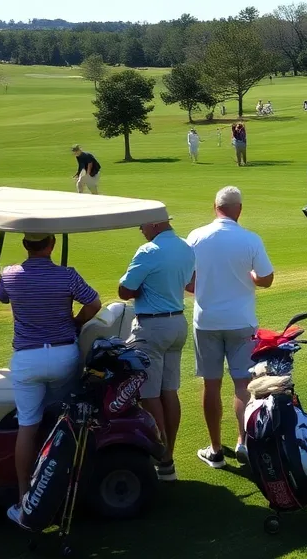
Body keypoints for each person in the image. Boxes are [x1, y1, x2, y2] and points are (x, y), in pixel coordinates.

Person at [0, 233, 101, 520]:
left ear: (25, 246)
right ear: (51, 245)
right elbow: (93, 303)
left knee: (28, 425)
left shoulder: (10, 274)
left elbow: (1, 296)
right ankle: (61, 488)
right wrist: (75, 322)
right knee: (62, 421)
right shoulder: (66, 275)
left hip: (27, 359)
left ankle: (25, 497)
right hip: (63, 355)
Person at [186, 186, 275, 468]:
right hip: (241, 321)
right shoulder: (249, 239)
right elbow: (266, 278)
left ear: (215, 206)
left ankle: (215, 449)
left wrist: (201, 289)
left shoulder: (196, 236)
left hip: (207, 321)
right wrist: (249, 276)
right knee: (243, 385)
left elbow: (186, 280)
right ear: (239, 210)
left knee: (211, 385)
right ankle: (243, 442)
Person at [118, 220, 196, 482]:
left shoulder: (148, 251)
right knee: (168, 391)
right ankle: (168, 455)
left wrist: (143, 287)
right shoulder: (185, 247)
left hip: (152, 327)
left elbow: (125, 290)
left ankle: (162, 456)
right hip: (177, 323)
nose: (140, 229)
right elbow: (190, 285)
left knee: (149, 394)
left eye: (143, 225)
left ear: (153, 224)